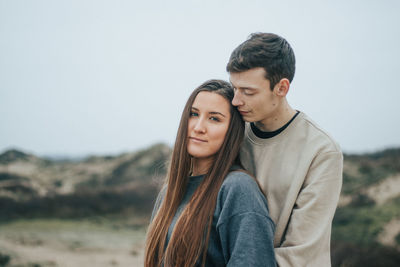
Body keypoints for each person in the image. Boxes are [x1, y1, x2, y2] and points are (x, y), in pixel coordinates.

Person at [226, 33, 343, 267]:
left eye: (248, 92)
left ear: (281, 88)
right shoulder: (232, 134)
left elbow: (300, 254)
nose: (236, 101)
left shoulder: (321, 151)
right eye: (234, 89)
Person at [144, 80, 276, 267]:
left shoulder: (238, 189)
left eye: (214, 118)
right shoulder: (169, 193)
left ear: (232, 131)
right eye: (194, 114)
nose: (198, 127)